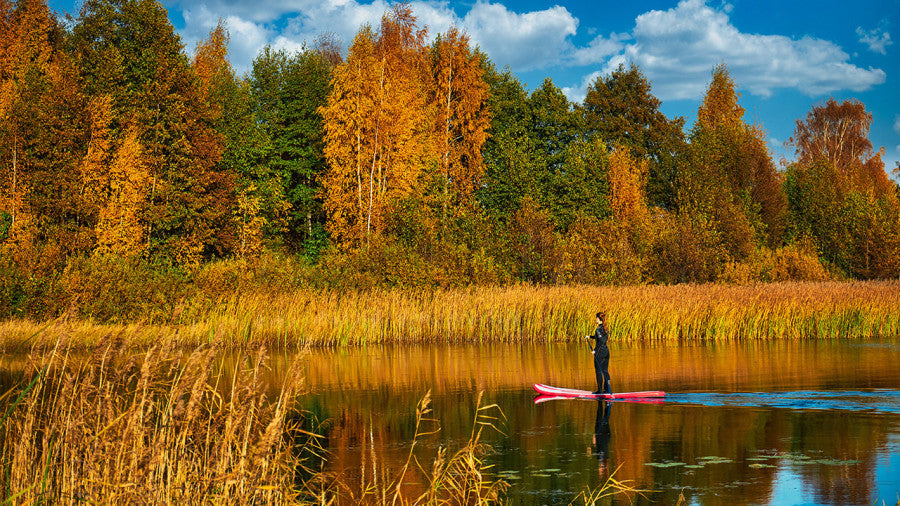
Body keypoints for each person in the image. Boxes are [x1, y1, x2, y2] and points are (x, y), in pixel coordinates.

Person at [586, 311, 611, 395]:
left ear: (599, 319)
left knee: (598, 371)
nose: (595, 319)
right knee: (605, 371)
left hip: (600, 353)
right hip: (606, 352)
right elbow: (601, 338)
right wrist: (590, 336)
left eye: (596, 318)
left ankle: (600, 391)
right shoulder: (605, 328)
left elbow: (601, 341)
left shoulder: (598, 329)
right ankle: (607, 390)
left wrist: (595, 350)